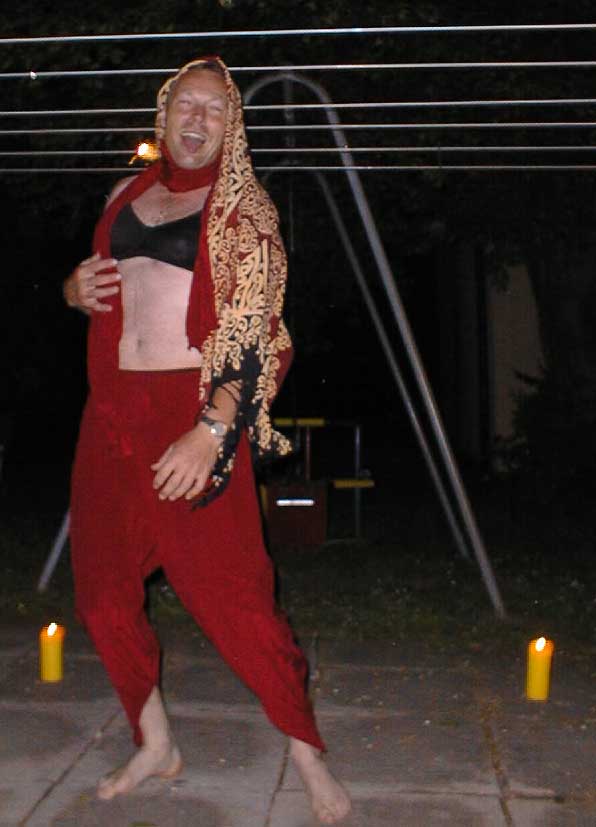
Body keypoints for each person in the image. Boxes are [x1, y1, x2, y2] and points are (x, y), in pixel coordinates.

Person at [62, 56, 351, 824]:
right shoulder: (124, 195)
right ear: (163, 115)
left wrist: (213, 430)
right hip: (111, 412)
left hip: (193, 411)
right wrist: (71, 289)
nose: (196, 118)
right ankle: (154, 740)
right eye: (185, 104)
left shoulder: (243, 211)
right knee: (100, 592)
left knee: (235, 597)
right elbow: (101, 286)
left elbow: (256, 331)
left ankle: (305, 748)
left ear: (233, 127)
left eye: (214, 108)